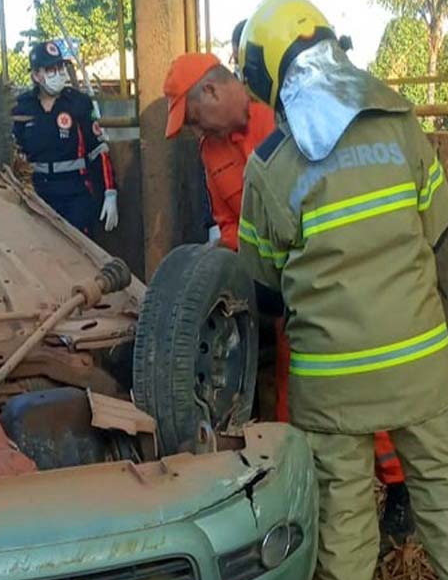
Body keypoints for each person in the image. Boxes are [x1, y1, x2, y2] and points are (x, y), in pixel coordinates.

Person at [237, 0, 448, 580]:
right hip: (421, 366)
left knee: (343, 521)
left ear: (266, 71)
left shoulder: (270, 167)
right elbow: (435, 228)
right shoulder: (399, 124)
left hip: (333, 387)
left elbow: (266, 290)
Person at [163, 48, 416, 550]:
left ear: (212, 91)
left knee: (364, 392)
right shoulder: (210, 152)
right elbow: (229, 223)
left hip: (327, 286)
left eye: (193, 118)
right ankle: (300, 495)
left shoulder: (287, 120)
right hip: (278, 296)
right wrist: (222, 254)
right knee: (291, 398)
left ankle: (398, 487)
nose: (194, 130)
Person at [12, 40, 118, 234]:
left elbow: (98, 150)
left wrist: (110, 192)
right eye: (50, 69)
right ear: (36, 75)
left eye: (60, 67)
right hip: (37, 192)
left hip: (75, 191)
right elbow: (14, 151)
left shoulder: (78, 102)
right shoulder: (22, 107)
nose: (58, 73)